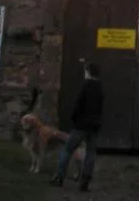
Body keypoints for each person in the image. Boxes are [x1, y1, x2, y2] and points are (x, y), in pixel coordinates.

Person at [52, 62, 104, 191]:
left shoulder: (85, 86)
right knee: (90, 153)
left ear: (88, 72)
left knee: (67, 149)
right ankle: (85, 181)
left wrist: (74, 119)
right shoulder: (100, 88)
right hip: (94, 125)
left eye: (85, 71)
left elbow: (77, 106)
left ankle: (59, 178)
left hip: (81, 125)